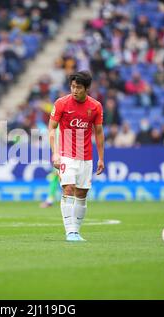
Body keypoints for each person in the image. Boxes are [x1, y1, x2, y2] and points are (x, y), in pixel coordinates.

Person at [48, 71, 104, 242]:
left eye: (78, 87)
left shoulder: (95, 106)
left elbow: (99, 133)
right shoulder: (61, 103)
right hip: (65, 154)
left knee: (82, 193)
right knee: (68, 188)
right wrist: (55, 153)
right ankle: (70, 231)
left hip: (86, 156)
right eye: (72, 86)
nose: (74, 90)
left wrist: (101, 158)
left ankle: (76, 232)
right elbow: (51, 128)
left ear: (87, 88)